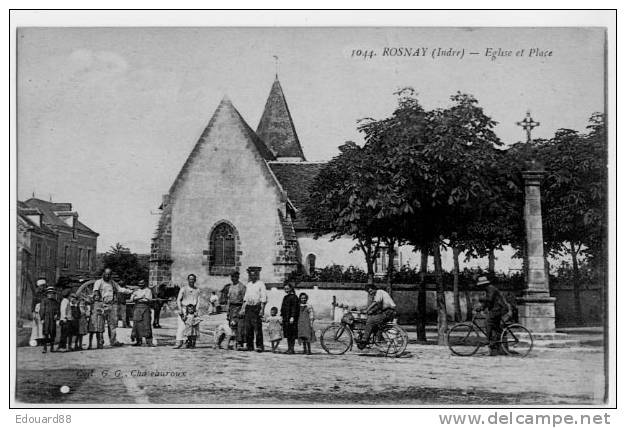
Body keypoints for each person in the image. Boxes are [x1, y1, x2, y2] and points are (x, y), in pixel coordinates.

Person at [92, 268, 133, 347]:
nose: (107, 276)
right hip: (102, 305)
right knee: (100, 325)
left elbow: (120, 289)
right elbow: (96, 291)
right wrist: (99, 300)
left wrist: (130, 291)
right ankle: (100, 342)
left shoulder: (112, 283)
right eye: (106, 274)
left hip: (111, 305)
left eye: (109, 274)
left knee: (113, 324)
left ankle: (113, 341)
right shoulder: (98, 282)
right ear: (103, 274)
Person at [476, 276, 509, 356]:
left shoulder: (491, 289)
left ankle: (488, 340)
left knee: (488, 321)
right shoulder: (488, 289)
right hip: (496, 309)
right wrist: (481, 308)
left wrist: (481, 299)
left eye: (481, 285)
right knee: (495, 327)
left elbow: (489, 299)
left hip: (499, 308)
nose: (481, 287)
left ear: (484, 284)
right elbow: (488, 303)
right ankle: (498, 343)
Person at [360, 284, 397, 349]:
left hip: (388, 312)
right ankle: (378, 339)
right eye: (369, 292)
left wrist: (367, 309)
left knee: (370, 321)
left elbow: (375, 302)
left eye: (371, 291)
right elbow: (378, 307)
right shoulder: (379, 294)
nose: (370, 293)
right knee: (375, 323)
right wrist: (370, 311)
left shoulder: (379, 292)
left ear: (374, 289)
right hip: (389, 312)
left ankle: (364, 341)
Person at [240, 266, 267, 352]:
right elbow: (245, 298)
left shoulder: (261, 284)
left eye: (254, 275)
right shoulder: (248, 284)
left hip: (256, 307)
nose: (253, 277)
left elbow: (263, 298)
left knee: (257, 328)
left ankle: (259, 346)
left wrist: (262, 309)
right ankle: (249, 345)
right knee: (248, 328)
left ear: (257, 275)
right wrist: (243, 309)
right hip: (249, 308)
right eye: (251, 275)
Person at [174, 274, 201, 349]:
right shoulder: (183, 289)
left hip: (193, 310)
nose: (191, 280)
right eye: (190, 279)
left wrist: (196, 310)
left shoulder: (197, 290)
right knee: (182, 326)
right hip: (184, 309)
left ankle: (190, 342)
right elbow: (178, 299)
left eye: (193, 279)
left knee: (193, 327)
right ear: (188, 280)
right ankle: (178, 342)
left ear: (195, 280)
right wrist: (180, 309)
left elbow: (198, 301)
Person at [129, 280, 156, 347]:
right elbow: (131, 299)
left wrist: (137, 298)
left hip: (145, 308)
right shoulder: (136, 290)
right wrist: (141, 297)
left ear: (145, 284)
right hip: (137, 308)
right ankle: (138, 341)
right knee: (137, 324)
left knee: (146, 324)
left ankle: (149, 341)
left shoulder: (148, 290)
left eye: (142, 284)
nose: (141, 285)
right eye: (139, 284)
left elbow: (148, 299)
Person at [225, 271, 246, 349]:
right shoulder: (230, 286)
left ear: (238, 277)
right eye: (232, 277)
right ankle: (233, 342)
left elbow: (245, 300)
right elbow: (228, 299)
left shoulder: (242, 287)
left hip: (239, 307)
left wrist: (242, 310)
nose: (233, 278)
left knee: (239, 326)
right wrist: (228, 311)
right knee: (231, 326)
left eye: (235, 277)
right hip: (231, 308)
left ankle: (240, 343)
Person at [280, 283, 299, 354]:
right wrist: (282, 316)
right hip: (285, 318)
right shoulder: (285, 297)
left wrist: (292, 317)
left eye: (287, 288)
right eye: (285, 289)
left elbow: (294, 308)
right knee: (288, 334)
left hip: (291, 318)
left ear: (291, 288)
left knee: (292, 334)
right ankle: (289, 348)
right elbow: (283, 307)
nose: (286, 290)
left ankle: (292, 349)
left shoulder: (294, 297)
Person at [40, 286, 59, 353]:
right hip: (46, 319)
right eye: (49, 293)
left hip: (52, 320)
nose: (50, 295)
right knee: (45, 333)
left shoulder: (55, 302)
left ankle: (52, 347)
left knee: (52, 333)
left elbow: (57, 310)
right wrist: (42, 318)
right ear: (47, 294)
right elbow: (42, 310)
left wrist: (57, 314)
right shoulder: (44, 301)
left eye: (52, 293)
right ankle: (44, 348)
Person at [29, 278, 46, 346]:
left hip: (43, 311)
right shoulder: (36, 293)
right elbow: (33, 303)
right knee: (36, 326)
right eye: (41, 286)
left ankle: (42, 340)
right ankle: (36, 339)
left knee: (42, 326)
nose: (42, 287)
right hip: (37, 311)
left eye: (43, 286)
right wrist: (33, 312)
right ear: (39, 286)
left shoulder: (45, 293)